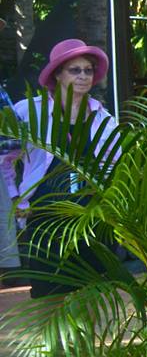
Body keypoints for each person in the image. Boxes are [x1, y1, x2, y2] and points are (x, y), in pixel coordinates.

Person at [7, 40, 121, 298]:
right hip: (45, 216)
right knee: (50, 296)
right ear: (57, 74)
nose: (83, 76)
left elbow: (117, 166)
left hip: (92, 219)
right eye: (74, 70)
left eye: (88, 70)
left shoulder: (102, 117)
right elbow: (5, 158)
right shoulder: (27, 111)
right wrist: (16, 197)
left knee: (94, 295)